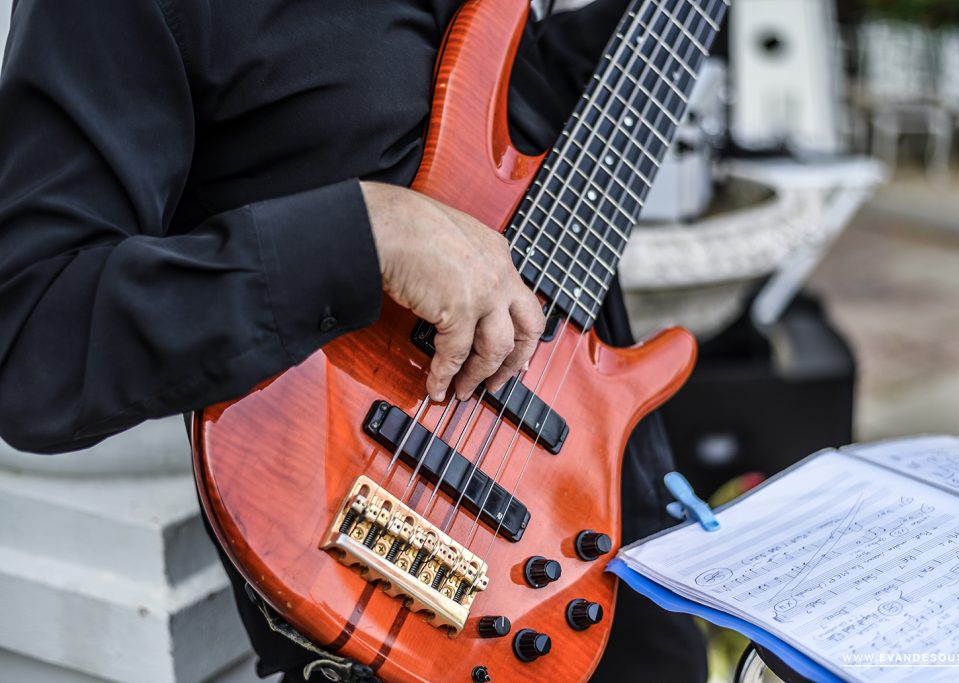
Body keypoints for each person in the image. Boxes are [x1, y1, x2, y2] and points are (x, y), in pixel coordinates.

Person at [0, 0, 707, 680]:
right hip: (377, 577)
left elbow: (523, 95)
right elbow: (35, 337)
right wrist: (368, 234)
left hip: (601, 552)